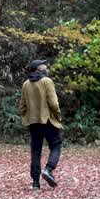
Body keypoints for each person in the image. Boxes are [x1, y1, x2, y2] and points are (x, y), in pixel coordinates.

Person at [19, 59, 63, 190]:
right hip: (48, 120)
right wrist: (58, 116)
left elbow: (22, 106)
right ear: (38, 68)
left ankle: (35, 183)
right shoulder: (47, 81)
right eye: (44, 65)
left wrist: (27, 116)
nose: (46, 66)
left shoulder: (26, 84)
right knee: (56, 145)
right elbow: (54, 103)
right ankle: (48, 169)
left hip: (33, 122)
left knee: (36, 150)